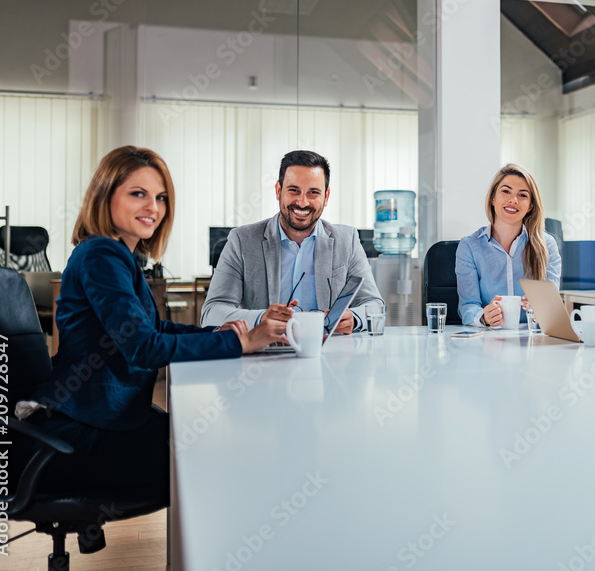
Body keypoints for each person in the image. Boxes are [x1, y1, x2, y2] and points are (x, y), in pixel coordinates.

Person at [20, 146, 282, 492]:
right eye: (138, 194)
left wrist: (214, 333)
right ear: (104, 195)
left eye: (160, 197)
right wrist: (239, 342)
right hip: (81, 435)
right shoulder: (101, 254)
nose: (153, 208)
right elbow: (142, 347)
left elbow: (152, 329)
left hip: (100, 420)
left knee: (218, 438)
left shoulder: (116, 255)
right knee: (233, 445)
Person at [202, 150, 384, 333]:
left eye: (313, 192)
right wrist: (261, 318)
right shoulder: (242, 241)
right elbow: (211, 312)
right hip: (265, 355)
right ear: (278, 190)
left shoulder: (347, 240)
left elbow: (375, 305)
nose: (302, 202)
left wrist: (355, 318)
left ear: (326, 196)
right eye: (293, 190)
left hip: (329, 354)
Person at [456, 163, 561, 327]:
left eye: (523, 195)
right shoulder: (469, 246)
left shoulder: (547, 245)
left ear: (530, 206)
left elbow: (552, 308)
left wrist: (543, 310)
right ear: (493, 198)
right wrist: (484, 316)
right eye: (506, 191)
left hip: (532, 341)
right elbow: (468, 306)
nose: (513, 200)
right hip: (489, 341)